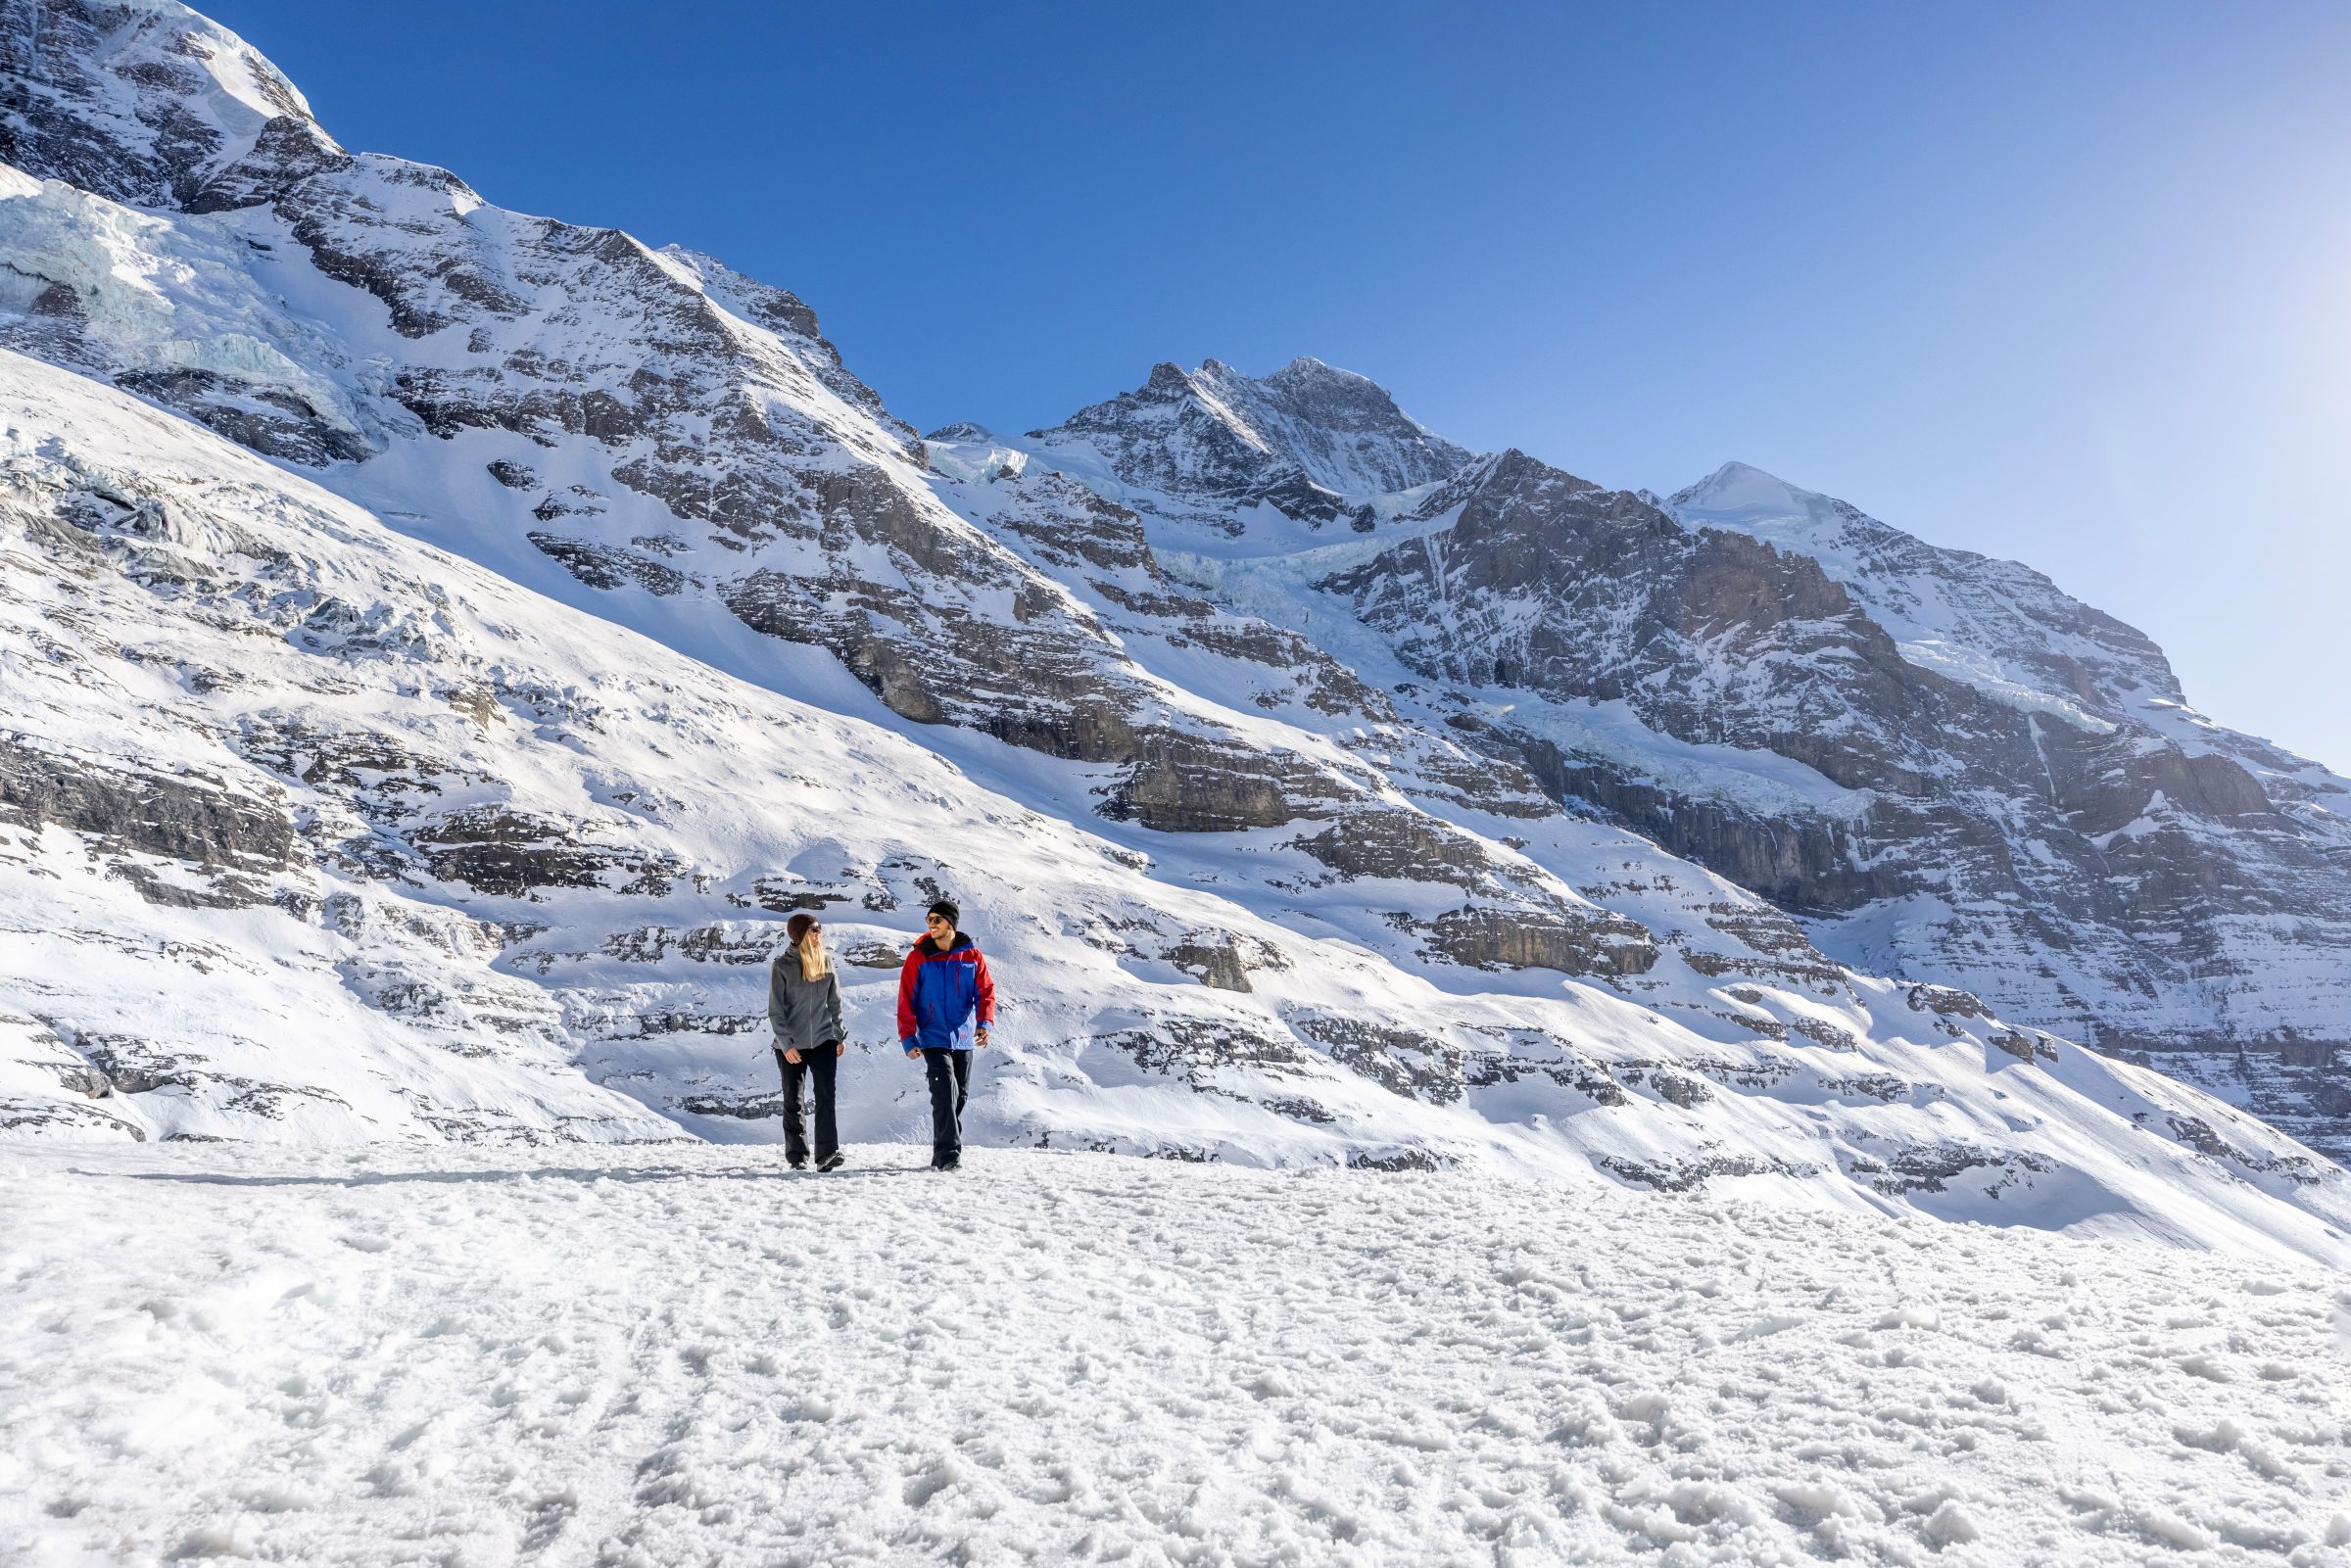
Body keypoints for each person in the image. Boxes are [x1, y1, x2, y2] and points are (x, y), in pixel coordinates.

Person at [897, 899, 994, 1171]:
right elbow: (906, 1000)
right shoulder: (919, 957)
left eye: (937, 919)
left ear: (950, 924)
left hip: (963, 1038)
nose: (931, 924)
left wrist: (984, 1023)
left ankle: (939, 1154)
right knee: (943, 1092)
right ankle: (950, 1157)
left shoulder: (972, 957)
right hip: (932, 1037)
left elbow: (985, 992)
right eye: (929, 919)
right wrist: (908, 1038)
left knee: (958, 1097)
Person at [769, 912, 846, 1170]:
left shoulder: (825, 961)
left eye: (819, 929)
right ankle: (797, 1157)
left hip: (824, 1040)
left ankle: (827, 1154)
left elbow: (834, 1002)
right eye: (813, 930)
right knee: (794, 1101)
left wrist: (839, 1034)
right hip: (791, 1045)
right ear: (800, 934)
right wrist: (786, 1044)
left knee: (826, 1097)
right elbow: (776, 1010)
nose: (818, 934)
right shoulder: (782, 966)